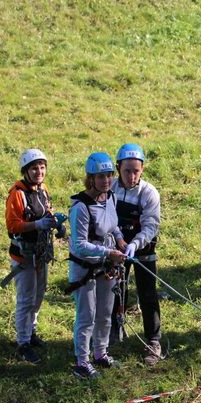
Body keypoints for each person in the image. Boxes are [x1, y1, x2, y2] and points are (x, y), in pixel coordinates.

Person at [68, 152, 127, 378]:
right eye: (100, 176)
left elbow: (113, 225)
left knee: (104, 313)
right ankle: (81, 362)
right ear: (90, 178)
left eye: (109, 175)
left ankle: (100, 353)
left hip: (106, 266)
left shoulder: (110, 197)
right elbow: (80, 244)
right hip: (85, 268)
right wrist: (109, 252)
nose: (106, 180)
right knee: (87, 316)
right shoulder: (81, 207)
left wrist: (120, 240)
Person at [4, 148, 64, 364]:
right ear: (26, 171)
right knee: (25, 300)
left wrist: (55, 222)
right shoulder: (17, 194)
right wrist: (36, 224)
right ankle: (23, 343)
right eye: (34, 168)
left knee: (38, 297)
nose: (39, 171)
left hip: (40, 255)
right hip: (24, 257)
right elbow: (12, 225)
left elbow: (46, 209)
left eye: (42, 167)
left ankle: (31, 332)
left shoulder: (43, 190)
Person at [109, 143, 163, 366]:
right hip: (115, 248)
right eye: (127, 171)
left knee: (148, 294)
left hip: (143, 250)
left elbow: (151, 225)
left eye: (136, 171)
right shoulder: (110, 188)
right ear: (118, 168)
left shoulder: (149, 193)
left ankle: (153, 340)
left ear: (142, 170)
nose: (131, 176)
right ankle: (113, 330)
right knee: (115, 290)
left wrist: (135, 244)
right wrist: (119, 241)